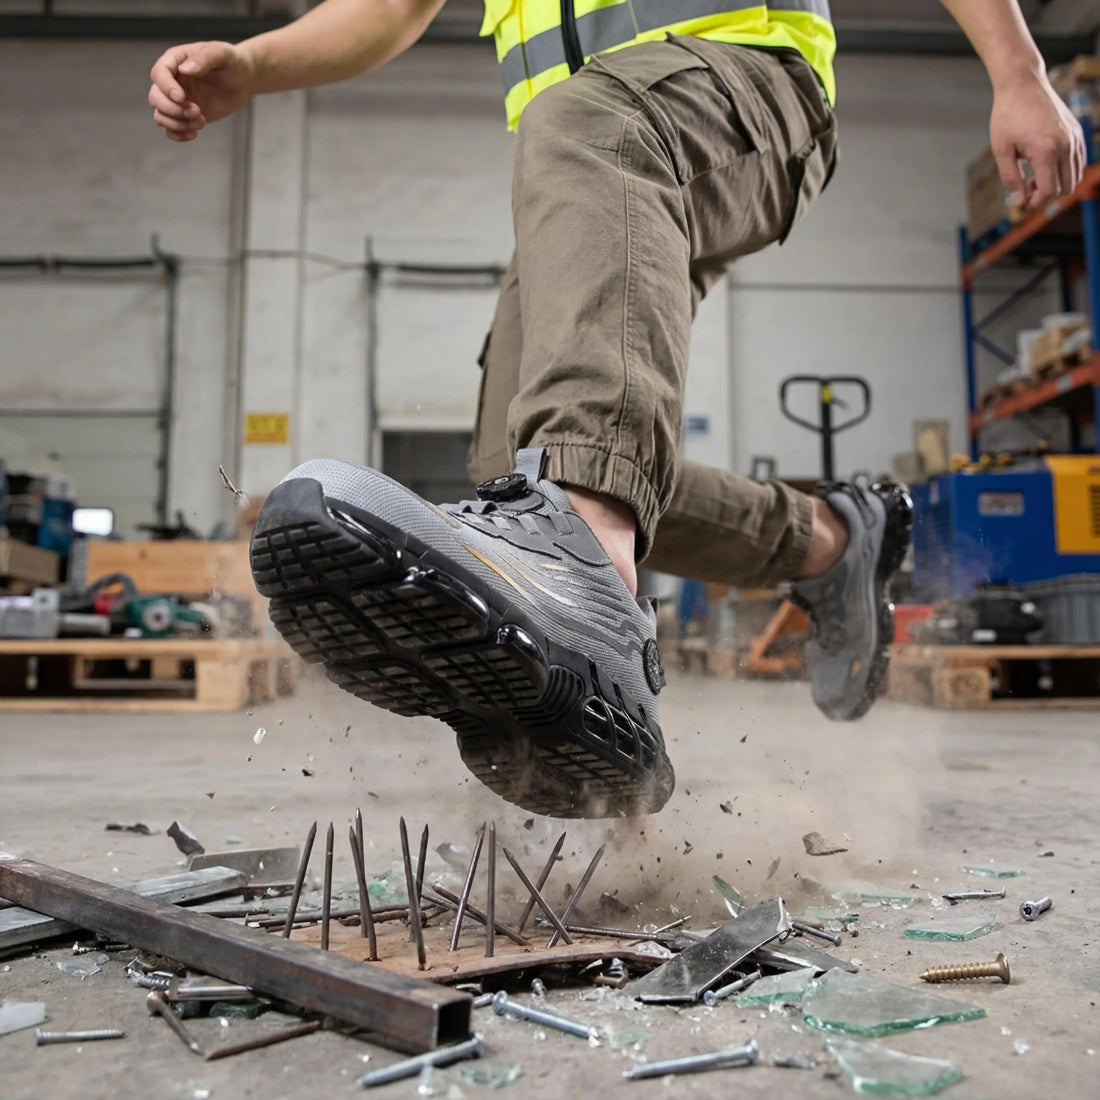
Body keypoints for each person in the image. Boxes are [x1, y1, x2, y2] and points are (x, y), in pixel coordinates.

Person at [149, 0, 1085, 819]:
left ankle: (589, 593)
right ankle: (829, 542)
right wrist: (257, 62)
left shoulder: (608, 114)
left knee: (577, 468)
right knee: (518, 464)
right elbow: (390, 8)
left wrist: (1018, 71)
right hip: (598, 151)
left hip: (742, 85)